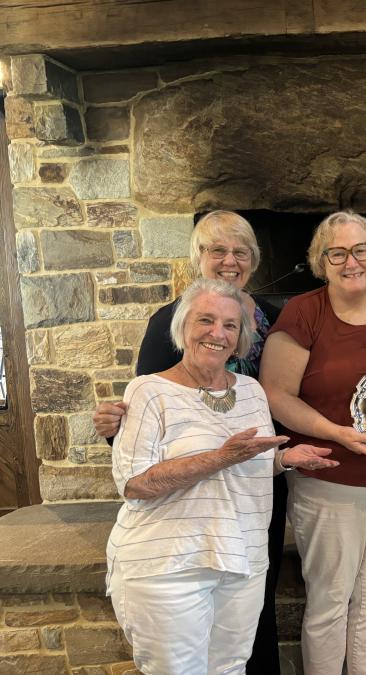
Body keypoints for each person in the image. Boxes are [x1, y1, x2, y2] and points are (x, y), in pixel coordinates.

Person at [106, 279, 337, 674]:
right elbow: (135, 483)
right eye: (206, 320)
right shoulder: (148, 392)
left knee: (231, 668)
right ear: (182, 327)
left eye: (230, 326)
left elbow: (250, 464)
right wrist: (219, 458)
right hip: (169, 567)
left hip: (242, 559)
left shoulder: (251, 391)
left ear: (241, 338)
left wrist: (285, 459)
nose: (218, 333)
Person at [91, 210, 288, 673]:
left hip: (253, 492)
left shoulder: (275, 319)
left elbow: (283, 397)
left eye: (240, 252)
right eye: (216, 250)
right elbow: (142, 432)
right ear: (197, 257)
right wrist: (114, 428)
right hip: (178, 526)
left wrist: (290, 457)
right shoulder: (167, 322)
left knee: (247, 626)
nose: (229, 260)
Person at [259, 211, 366, 675]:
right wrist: (337, 435)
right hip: (328, 481)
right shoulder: (305, 312)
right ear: (321, 261)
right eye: (338, 253)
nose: (352, 262)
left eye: (361, 250)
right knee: (330, 601)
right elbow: (276, 393)